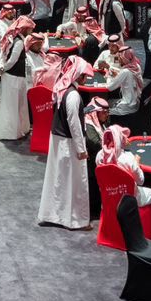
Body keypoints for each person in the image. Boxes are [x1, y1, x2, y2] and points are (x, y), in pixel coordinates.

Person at [37, 58, 91, 230]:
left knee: (59, 178)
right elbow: (74, 123)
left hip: (58, 140)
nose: (86, 79)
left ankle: (54, 214)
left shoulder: (62, 88)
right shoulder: (73, 95)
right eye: (84, 75)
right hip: (68, 143)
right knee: (73, 181)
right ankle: (73, 219)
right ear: (79, 76)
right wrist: (81, 149)